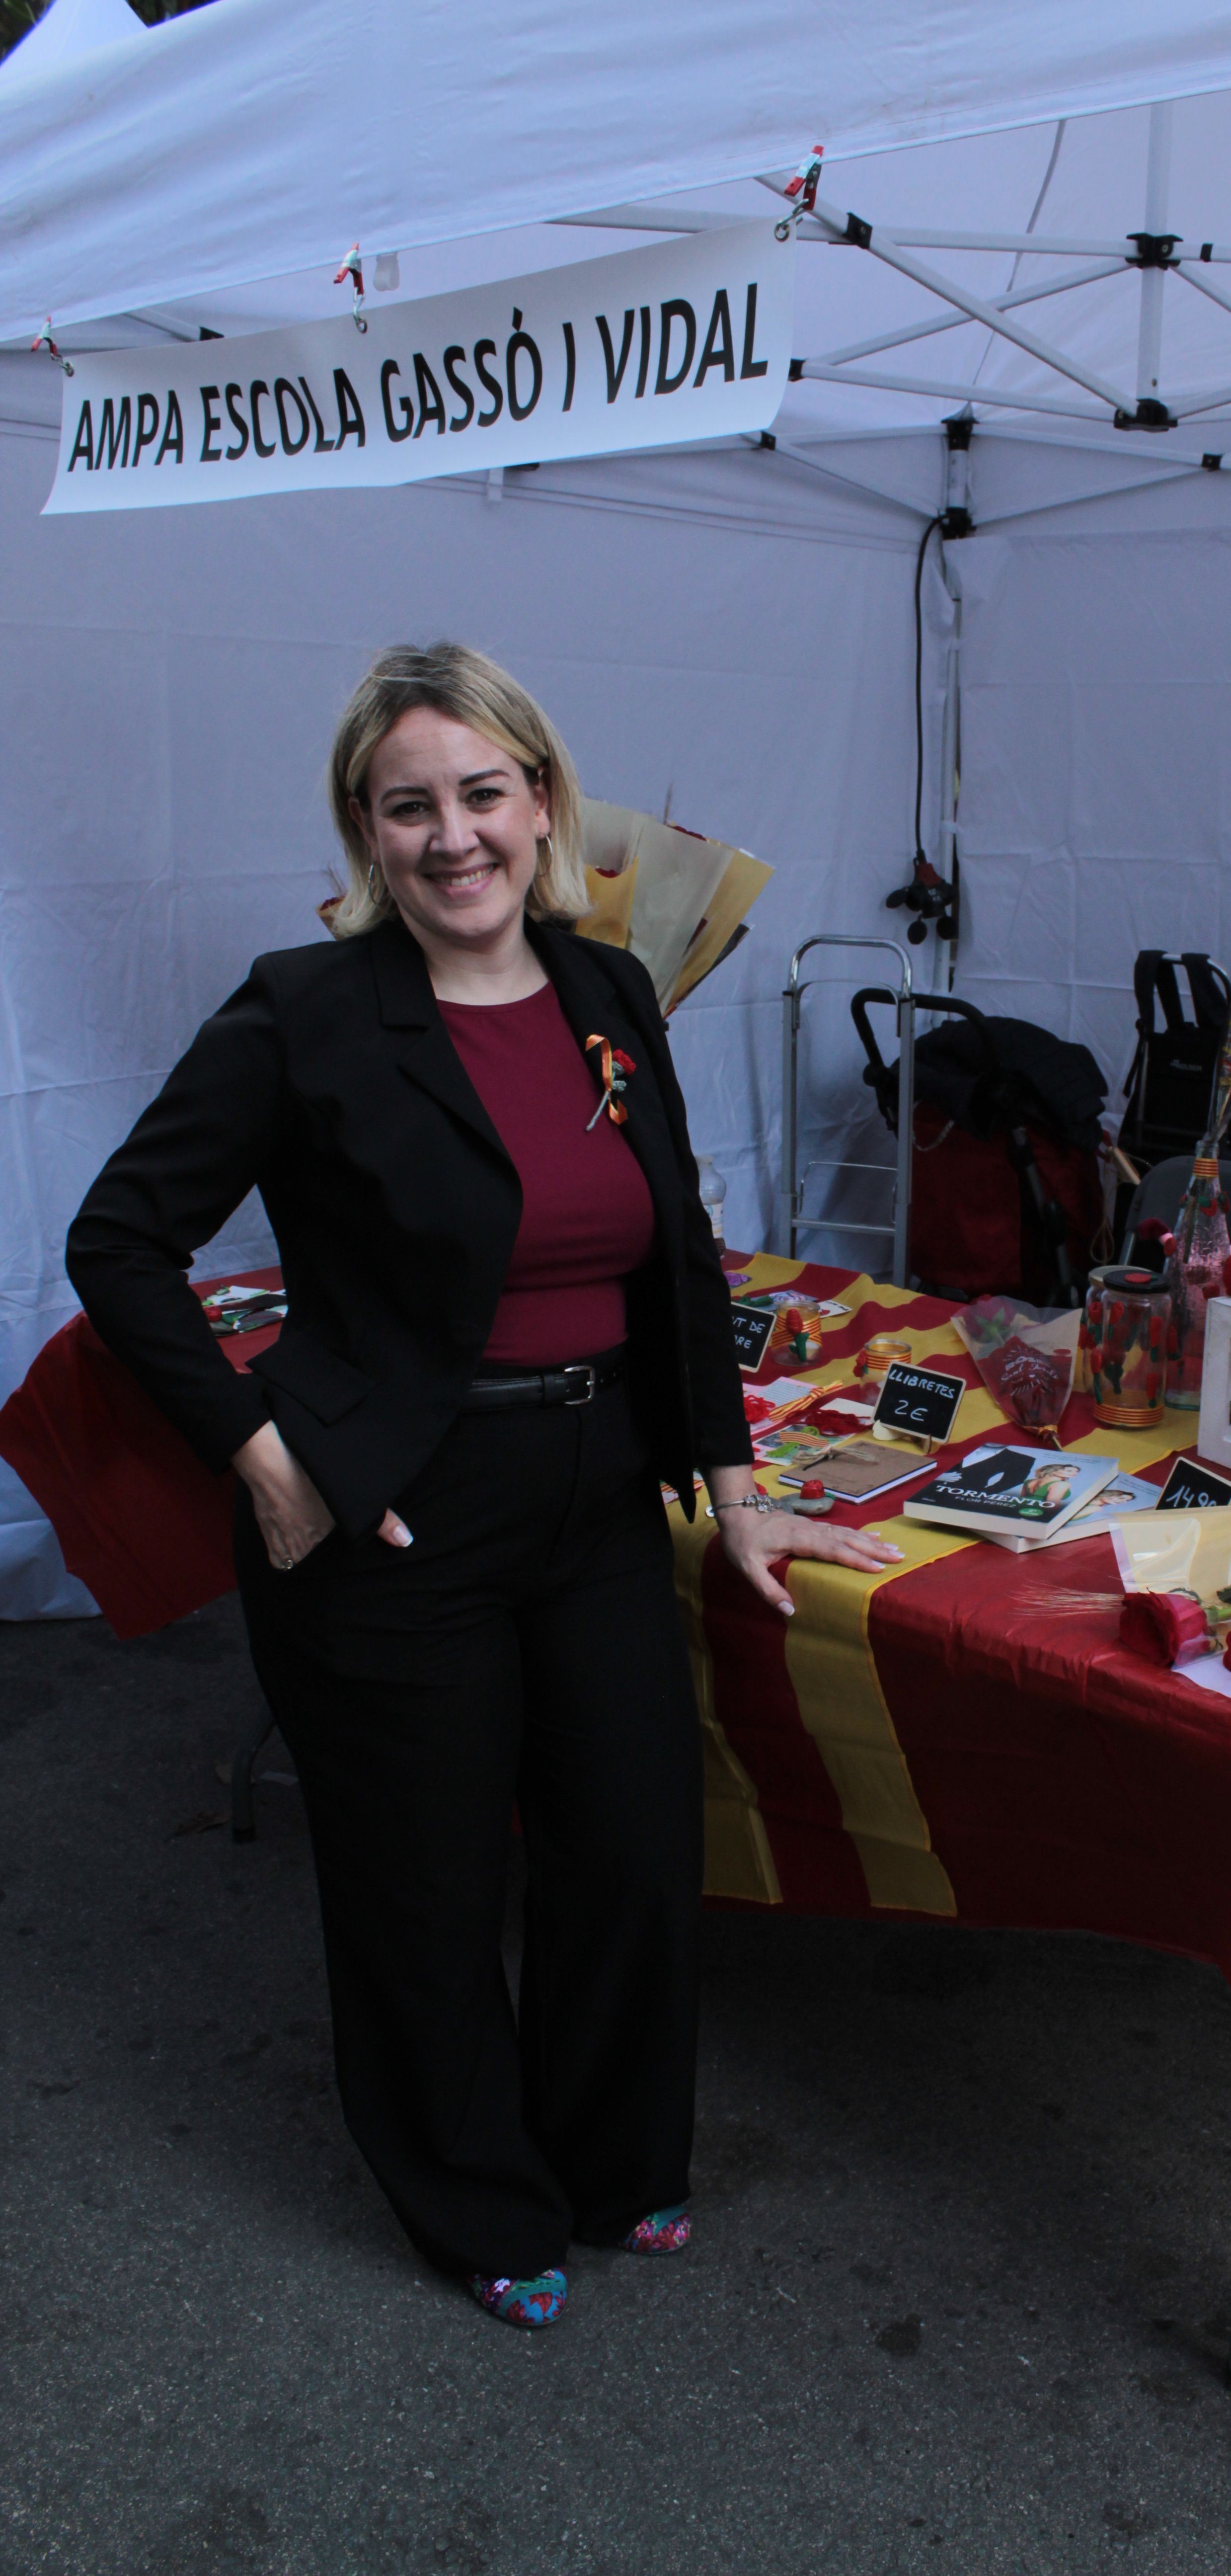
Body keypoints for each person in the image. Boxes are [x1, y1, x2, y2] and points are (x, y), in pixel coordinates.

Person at [65, 642, 899, 2332]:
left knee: (627, 1845)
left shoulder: (607, 992)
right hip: (397, 1504)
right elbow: (120, 1241)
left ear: (543, 802)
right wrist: (261, 1453)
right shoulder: (302, 1013)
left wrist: (731, 1482)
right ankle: (473, 2198)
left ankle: (613, 2157)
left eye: (482, 794)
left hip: (595, 1493)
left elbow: (675, 1257)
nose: (453, 837)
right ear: (365, 833)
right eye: (409, 806)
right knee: (426, 1882)